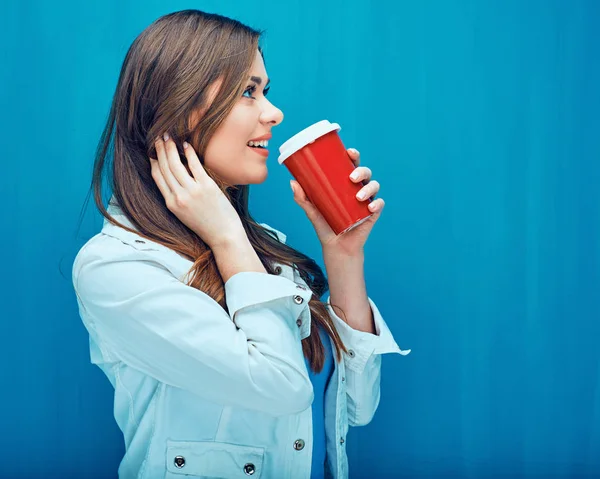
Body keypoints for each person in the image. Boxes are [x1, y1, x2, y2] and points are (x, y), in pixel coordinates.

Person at [72, 9, 410, 479]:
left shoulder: (263, 251)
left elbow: (357, 408)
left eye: (265, 91)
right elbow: (283, 386)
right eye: (247, 91)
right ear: (179, 107)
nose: (273, 113)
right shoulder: (115, 268)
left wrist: (344, 256)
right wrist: (227, 233)